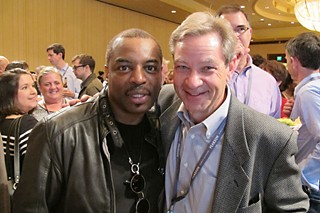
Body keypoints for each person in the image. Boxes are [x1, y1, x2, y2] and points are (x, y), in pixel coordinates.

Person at [158, 11, 309, 212]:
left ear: (230, 66)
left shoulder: (271, 140)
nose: (193, 82)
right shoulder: (162, 103)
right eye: (183, 67)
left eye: (207, 68)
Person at [13, 28, 165, 213]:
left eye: (150, 68)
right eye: (124, 67)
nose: (139, 78)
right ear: (108, 73)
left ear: (161, 75)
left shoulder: (166, 128)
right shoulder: (58, 132)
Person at [215, 5, 281, 118]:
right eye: (226, 30)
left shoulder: (268, 81)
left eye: (241, 29)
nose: (235, 36)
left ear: (250, 33)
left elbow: (273, 126)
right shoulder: (209, 77)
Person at [285, 32, 320, 212]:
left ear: (294, 61)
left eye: (287, 61)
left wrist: (303, 174)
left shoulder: (308, 92)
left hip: (312, 188)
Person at [0, 68, 38, 194]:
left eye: (33, 85)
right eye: (25, 87)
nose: (33, 91)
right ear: (9, 95)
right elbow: (38, 170)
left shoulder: (3, 122)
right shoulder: (27, 124)